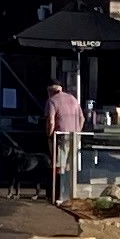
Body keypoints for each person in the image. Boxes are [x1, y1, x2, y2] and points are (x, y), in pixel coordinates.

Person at [45, 71, 84, 200]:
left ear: (50, 90)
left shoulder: (52, 101)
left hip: (60, 136)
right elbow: (82, 118)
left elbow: (51, 121)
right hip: (75, 135)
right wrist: (77, 131)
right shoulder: (73, 99)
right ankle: (70, 194)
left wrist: (49, 135)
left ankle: (59, 195)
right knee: (70, 165)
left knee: (59, 165)